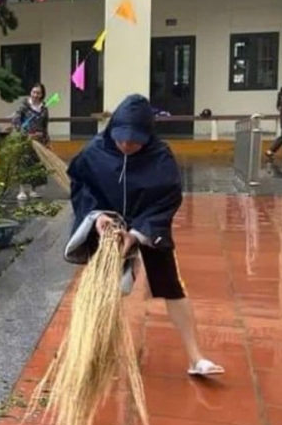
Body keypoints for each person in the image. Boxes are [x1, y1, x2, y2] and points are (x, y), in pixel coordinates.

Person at [65, 95, 223, 378]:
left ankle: (196, 358)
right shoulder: (94, 152)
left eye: (134, 141)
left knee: (171, 285)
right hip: (109, 227)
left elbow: (167, 198)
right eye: (121, 138)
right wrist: (98, 217)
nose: (126, 145)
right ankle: (95, 351)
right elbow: (80, 186)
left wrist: (137, 234)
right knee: (104, 289)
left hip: (147, 228)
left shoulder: (160, 157)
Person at [13, 83, 51, 202]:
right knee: (24, 163)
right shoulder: (24, 107)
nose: (35, 95)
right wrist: (26, 134)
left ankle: (33, 190)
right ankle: (22, 190)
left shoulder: (44, 109)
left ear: (42, 95)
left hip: (39, 141)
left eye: (38, 93)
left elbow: (45, 125)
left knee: (36, 164)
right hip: (26, 139)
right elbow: (16, 121)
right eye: (33, 92)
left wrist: (46, 139)